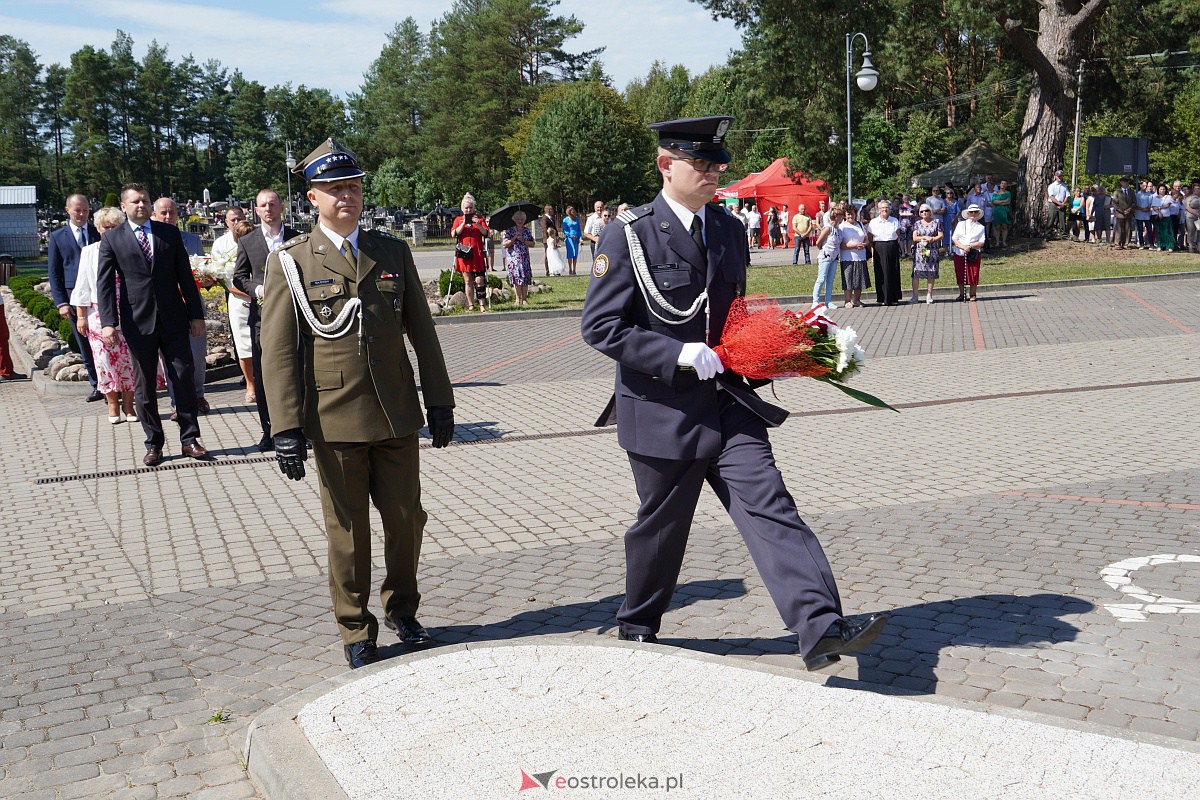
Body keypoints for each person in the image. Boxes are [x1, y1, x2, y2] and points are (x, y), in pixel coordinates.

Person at [580, 116, 886, 670]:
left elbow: (733, 318)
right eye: (700, 164)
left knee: (770, 505)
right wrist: (674, 354)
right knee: (661, 527)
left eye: (717, 164)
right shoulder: (629, 233)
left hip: (728, 400)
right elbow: (601, 326)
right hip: (662, 409)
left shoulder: (723, 228)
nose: (712, 173)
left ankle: (820, 627)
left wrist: (786, 344)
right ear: (664, 165)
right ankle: (638, 623)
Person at [259, 138, 456, 670]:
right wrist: (286, 429)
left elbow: (423, 333)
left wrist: (440, 402)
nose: (346, 196)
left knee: (406, 519)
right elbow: (277, 352)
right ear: (313, 198)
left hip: (395, 413)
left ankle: (403, 610)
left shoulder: (391, 252)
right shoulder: (292, 262)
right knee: (347, 531)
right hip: (334, 418)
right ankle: (354, 627)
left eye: (353, 186)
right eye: (334, 189)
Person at [97, 183, 210, 467]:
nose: (141, 205)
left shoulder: (168, 233)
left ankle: (190, 439)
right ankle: (153, 443)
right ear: (124, 206)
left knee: (183, 377)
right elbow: (105, 284)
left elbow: (185, 277)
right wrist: (109, 322)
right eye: (135, 201)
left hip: (173, 319)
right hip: (137, 322)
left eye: (145, 200)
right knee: (144, 386)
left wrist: (196, 316)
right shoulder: (113, 239)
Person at [232, 189, 302, 452]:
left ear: (281, 207)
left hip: (296, 315)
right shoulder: (248, 241)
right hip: (262, 319)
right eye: (263, 205)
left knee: (298, 372)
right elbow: (239, 276)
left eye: (273, 203)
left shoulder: (298, 238)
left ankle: (300, 427)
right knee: (263, 376)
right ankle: (268, 430)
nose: (269, 208)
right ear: (257, 210)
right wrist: (257, 289)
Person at [69, 206, 137, 423]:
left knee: (128, 360)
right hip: (98, 314)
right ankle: (112, 405)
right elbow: (82, 286)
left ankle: (129, 405)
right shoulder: (89, 252)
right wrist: (80, 316)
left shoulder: (128, 248)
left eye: (114, 227)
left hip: (128, 311)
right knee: (104, 360)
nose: (109, 230)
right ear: (98, 228)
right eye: (105, 227)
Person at [152, 197, 210, 416]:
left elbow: (205, 269)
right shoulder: (152, 240)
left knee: (197, 354)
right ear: (154, 215)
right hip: (167, 308)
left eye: (171, 213)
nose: (168, 217)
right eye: (163, 213)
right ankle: (177, 403)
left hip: (192, 305)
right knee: (171, 359)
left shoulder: (192, 240)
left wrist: (206, 277)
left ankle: (198, 394)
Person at [47, 193, 102, 401]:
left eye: (85, 210)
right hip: (73, 299)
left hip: (99, 296)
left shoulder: (98, 232)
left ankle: (112, 384)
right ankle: (97, 384)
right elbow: (54, 273)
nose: (81, 214)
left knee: (105, 340)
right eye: (77, 210)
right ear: (67, 210)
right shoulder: (57, 237)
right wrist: (61, 302)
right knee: (84, 342)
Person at [211, 206, 254, 402]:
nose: (236, 223)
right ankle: (250, 384)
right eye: (232, 220)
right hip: (237, 297)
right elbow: (222, 275)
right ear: (226, 223)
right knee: (243, 343)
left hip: (261, 296)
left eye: (239, 219)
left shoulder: (255, 238)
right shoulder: (221, 243)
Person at [451, 194, 490, 311]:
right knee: (468, 281)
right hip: (464, 255)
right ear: (462, 209)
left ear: (474, 208)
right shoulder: (458, 220)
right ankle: (471, 304)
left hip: (477, 254)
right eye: (466, 208)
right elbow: (453, 234)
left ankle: (482, 304)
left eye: (471, 208)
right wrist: (463, 223)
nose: (468, 210)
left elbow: (487, 234)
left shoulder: (480, 219)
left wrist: (477, 223)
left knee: (479, 280)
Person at [867, 199, 902, 306]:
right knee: (881, 272)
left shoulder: (895, 220)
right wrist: (874, 248)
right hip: (879, 248)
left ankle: (893, 297)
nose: (885, 210)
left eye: (887, 207)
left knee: (893, 271)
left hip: (892, 247)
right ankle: (882, 298)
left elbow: (898, 235)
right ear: (878, 209)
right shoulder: (873, 222)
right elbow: (870, 237)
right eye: (882, 208)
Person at [951, 203, 987, 302]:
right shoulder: (961, 224)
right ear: (968, 213)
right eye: (971, 212)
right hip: (960, 252)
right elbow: (954, 238)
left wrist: (970, 246)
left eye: (975, 212)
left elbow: (981, 242)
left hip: (973, 253)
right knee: (960, 273)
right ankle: (962, 294)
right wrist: (963, 247)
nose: (973, 214)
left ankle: (973, 294)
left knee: (974, 273)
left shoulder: (981, 227)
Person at [838, 204, 868, 309]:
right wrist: (854, 245)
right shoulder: (841, 227)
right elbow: (840, 244)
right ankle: (847, 300)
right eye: (848, 214)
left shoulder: (859, 224)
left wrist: (864, 244)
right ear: (845, 215)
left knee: (859, 279)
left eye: (852, 214)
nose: (851, 216)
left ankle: (857, 299)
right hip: (847, 256)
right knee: (848, 279)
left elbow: (866, 238)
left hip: (860, 255)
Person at [501, 211, 534, 306]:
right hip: (513, 259)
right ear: (514, 220)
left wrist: (523, 240)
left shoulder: (527, 231)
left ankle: (524, 299)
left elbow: (532, 244)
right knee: (516, 279)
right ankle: (517, 299)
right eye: (518, 219)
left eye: (522, 219)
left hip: (524, 258)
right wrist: (515, 237)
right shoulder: (510, 231)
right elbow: (505, 244)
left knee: (525, 278)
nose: (520, 221)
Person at [813, 205, 844, 308]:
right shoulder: (828, 228)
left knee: (830, 280)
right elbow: (818, 242)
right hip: (825, 256)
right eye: (840, 216)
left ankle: (828, 301)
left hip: (835, 258)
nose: (842, 218)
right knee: (821, 278)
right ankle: (815, 301)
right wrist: (823, 250)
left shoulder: (838, 230)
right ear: (835, 217)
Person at [911, 203, 941, 304]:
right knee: (916, 273)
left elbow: (940, 235)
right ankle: (915, 296)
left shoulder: (936, 222)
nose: (924, 213)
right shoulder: (917, 223)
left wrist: (932, 238)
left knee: (931, 272)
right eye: (922, 211)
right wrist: (924, 238)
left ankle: (929, 294)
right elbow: (914, 238)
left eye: (926, 210)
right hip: (920, 250)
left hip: (932, 249)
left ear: (930, 211)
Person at [1046, 170, 1070, 239]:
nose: (1060, 177)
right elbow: (1051, 196)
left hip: (1062, 203)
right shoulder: (1052, 186)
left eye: (1061, 176)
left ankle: (1063, 235)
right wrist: (1059, 203)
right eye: (1058, 176)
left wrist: (1063, 203)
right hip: (1053, 204)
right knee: (1051, 219)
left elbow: (1067, 196)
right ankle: (1048, 234)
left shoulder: (1065, 186)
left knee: (1062, 220)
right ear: (1055, 176)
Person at [1153, 184, 1176, 252]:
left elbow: (1168, 205)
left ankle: (1169, 246)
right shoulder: (1155, 197)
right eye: (1161, 189)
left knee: (1168, 232)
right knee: (1159, 231)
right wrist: (1159, 213)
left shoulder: (1168, 197)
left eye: (1163, 189)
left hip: (1166, 216)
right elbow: (1154, 207)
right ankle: (1160, 245)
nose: (1162, 190)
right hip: (1158, 217)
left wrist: (1160, 207)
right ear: (1158, 190)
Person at [990, 180, 1013, 248]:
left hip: (1005, 211)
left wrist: (999, 202)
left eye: (1005, 184)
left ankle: (1004, 241)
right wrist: (1003, 201)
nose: (1003, 185)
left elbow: (1008, 202)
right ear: (1000, 184)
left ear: (1006, 185)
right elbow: (994, 202)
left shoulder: (1008, 193)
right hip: (997, 211)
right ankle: (997, 242)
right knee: (997, 227)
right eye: (1002, 183)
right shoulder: (995, 193)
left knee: (1004, 226)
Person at [561, 205, 582, 276]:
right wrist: (570, 235)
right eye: (572, 210)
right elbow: (565, 230)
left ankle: (574, 269)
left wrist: (579, 237)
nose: (573, 211)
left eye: (574, 210)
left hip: (576, 239)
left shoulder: (576, 219)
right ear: (569, 212)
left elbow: (579, 229)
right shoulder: (565, 220)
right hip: (569, 239)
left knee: (575, 254)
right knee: (570, 254)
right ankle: (570, 268)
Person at [539, 204, 556, 276]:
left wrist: (556, 236)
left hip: (553, 238)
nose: (552, 211)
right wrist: (549, 239)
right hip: (548, 240)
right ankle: (548, 270)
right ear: (548, 210)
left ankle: (553, 269)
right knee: (547, 254)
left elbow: (554, 228)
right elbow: (544, 229)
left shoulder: (552, 218)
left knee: (553, 254)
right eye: (551, 209)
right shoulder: (544, 219)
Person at [1184, 183, 1200, 254]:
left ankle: (1198, 247)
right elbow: (1187, 207)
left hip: (1199, 217)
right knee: (1191, 232)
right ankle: (1191, 247)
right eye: (1196, 188)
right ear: (1193, 189)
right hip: (1190, 216)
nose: (1197, 190)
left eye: (1199, 189)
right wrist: (1196, 213)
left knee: (1199, 232)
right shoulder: (1189, 198)